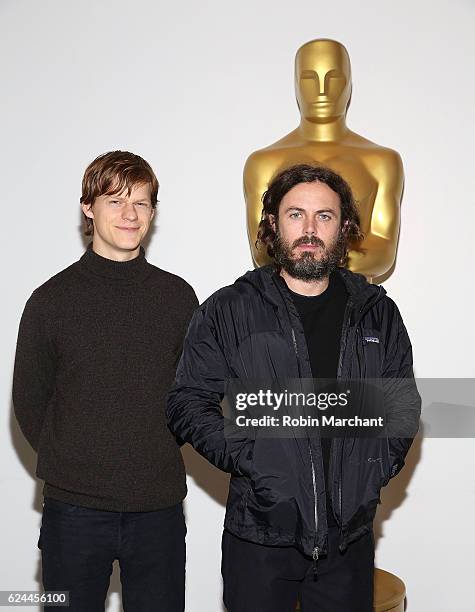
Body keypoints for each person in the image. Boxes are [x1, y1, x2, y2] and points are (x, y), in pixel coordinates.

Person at [167, 164, 420, 612]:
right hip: (261, 538)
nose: (309, 229)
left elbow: (401, 409)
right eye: (295, 214)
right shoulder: (229, 309)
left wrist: (373, 470)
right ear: (271, 223)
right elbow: (187, 400)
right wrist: (250, 457)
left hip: (349, 543)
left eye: (324, 216)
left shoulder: (377, 313)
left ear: (344, 227)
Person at [13, 150, 198, 612]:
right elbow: (29, 402)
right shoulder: (50, 301)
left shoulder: (178, 297)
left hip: (158, 507)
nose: (131, 214)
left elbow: (192, 396)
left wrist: (149, 449)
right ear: (88, 208)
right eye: (116, 200)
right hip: (72, 511)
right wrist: (78, 458)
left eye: (142, 202)